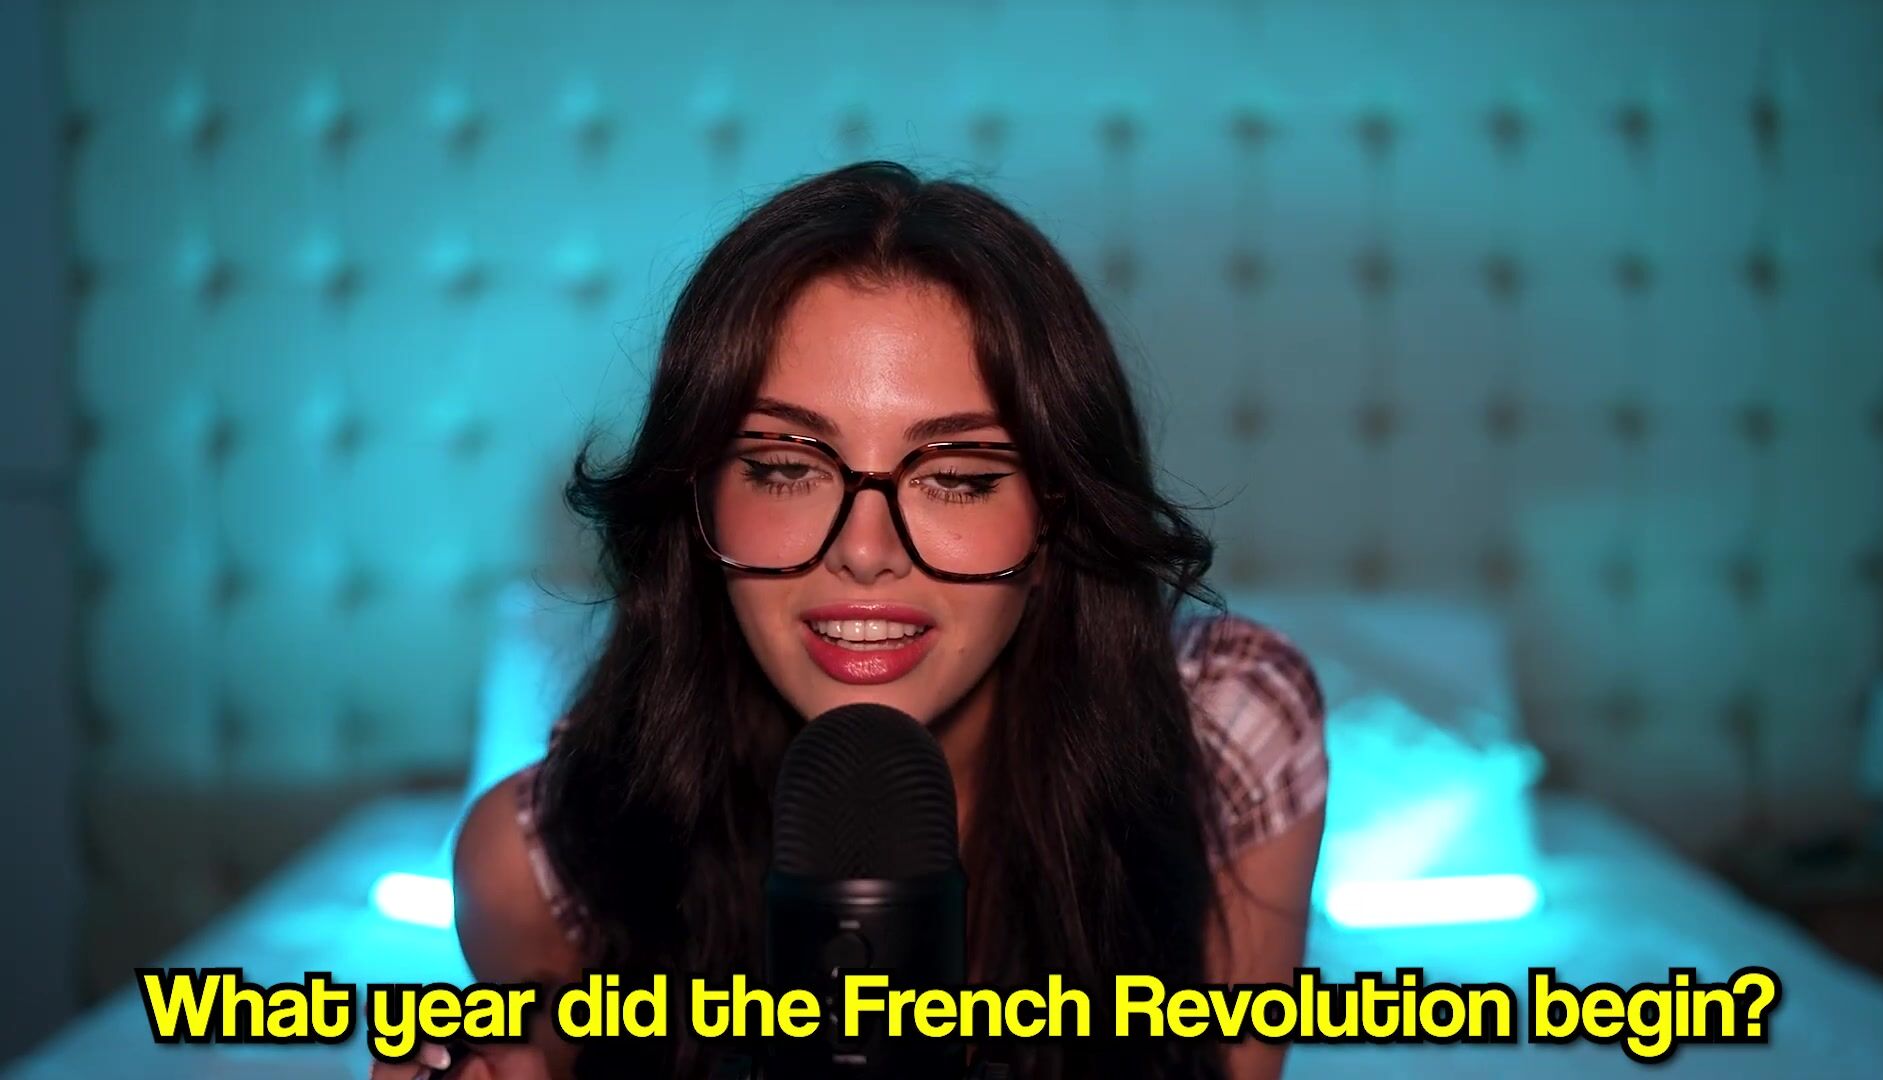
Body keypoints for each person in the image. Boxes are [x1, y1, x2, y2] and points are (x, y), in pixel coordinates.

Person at [373, 160, 1326, 1080]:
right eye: (786, 468)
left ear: (1055, 520)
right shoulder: (543, 870)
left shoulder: (1230, 738)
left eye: (959, 478)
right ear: (698, 506)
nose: (866, 550)